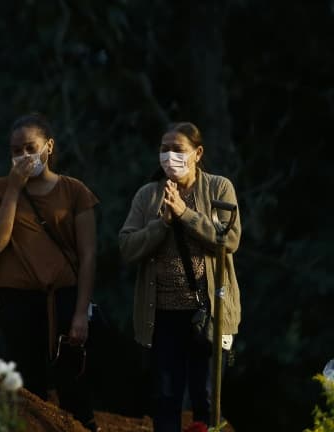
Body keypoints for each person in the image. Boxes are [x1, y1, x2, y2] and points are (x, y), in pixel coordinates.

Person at [118, 121, 242, 432]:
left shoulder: (219, 188)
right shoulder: (148, 195)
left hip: (208, 314)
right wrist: (162, 223)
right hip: (161, 316)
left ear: (197, 153)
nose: (170, 156)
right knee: (166, 397)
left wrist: (185, 215)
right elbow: (127, 247)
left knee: (207, 399)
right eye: (164, 149)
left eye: (178, 150)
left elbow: (228, 241)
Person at [0, 112, 100, 431]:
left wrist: (79, 313)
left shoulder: (74, 191)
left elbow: (88, 254)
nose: (22, 156)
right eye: (16, 150)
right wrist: (14, 190)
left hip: (64, 295)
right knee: (27, 382)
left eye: (30, 147)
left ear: (48, 147)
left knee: (72, 377)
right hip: (17, 299)